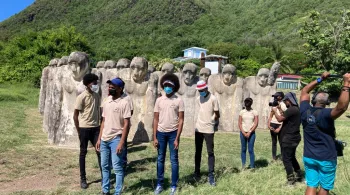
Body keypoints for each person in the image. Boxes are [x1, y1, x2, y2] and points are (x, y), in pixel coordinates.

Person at [300, 72, 350, 195]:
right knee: (324, 188)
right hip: (326, 158)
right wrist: (346, 84)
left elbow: (305, 91)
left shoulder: (304, 110)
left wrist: (320, 79)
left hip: (309, 156)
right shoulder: (327, 114)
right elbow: (342, 107)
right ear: (327, 102)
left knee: (311, 185)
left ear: (313, 100)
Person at [96, 77, 132, 195]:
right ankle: (105, 190)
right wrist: (99, 139)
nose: (110, 88)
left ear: (120, 88)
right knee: (104, 166)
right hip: (104, 139)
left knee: (117, 168)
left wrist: (122, 142)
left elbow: (127, 124)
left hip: (116, 138)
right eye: (109, 86)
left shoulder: (124, 102)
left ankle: (117, 192)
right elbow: (104, 121)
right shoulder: (107, 101)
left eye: (113, 87)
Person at [153, 73, 184, 195]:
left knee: (174, 160)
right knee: (160, 159)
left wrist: (177, 137)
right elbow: (155, 118)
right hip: (160, 133)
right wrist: (154, 136)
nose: (167, 87)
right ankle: (160, 184)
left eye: (170, 85)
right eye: (165, 85)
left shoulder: (179, 100)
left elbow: (181, 120)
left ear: (174, 87)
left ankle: (174, 185)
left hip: (173, 134)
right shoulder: (159, 100)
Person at [73, 73, 102, 189]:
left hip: (96, 128)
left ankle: (104, 177)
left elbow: (99, 110)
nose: (96, 84)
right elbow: (75, 115)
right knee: (83, 153)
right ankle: (83, 179)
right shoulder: (81, 97)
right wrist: (79, 130)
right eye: (94, 82)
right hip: (84, 128)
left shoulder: (97, 96)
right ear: (88, 84)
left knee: (100, 152)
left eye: (97, 82)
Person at [272, 92, 302, 185]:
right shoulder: (296, 109)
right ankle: (299, 174)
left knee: (286, 159)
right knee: (292, 157)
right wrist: (280, 109)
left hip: (289, 137)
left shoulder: (292, 109)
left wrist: (274, 111)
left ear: (289, 100)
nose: (285, 103)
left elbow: (280, 119)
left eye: (285, 101)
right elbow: (285, 115)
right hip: (295, 136)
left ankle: (291, 180)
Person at [194, 80, 220, 186]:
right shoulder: (198, 99)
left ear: (206, 88)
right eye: (199, 90)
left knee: (210, 152)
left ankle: (211, 175)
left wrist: (213, 121)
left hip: (209, 129)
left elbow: (217, 113)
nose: (200, 92)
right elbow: (200, 112)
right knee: (198, 152)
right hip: (198, 129)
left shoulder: (213, 98)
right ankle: (197, 172)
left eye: (202, 90)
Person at [238, 98, 259, 170]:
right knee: (243, 149)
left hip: (251, 133)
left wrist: (250, 132)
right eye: (246, 104)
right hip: (243, 132)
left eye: (248, 104)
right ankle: (243, 166)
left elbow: (256, 123)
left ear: (251, 104)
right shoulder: (242, 112)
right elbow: (240, 123)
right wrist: (243, 132)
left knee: (250, 150)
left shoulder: (254, 112)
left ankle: (252, 166)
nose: (247, 106)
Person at [268, 92, 287, 161]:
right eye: (274, 96)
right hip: (273, 123)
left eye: (277, 96)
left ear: (281, 97)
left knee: (281, 141)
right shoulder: (274, 104)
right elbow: (271, 115)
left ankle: (282, 157)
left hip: (280, 124)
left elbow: (285, 116)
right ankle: (274, 157)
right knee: (274, 142)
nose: (275, 98)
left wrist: (279, 108)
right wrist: (269, 124)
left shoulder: (283, 104)